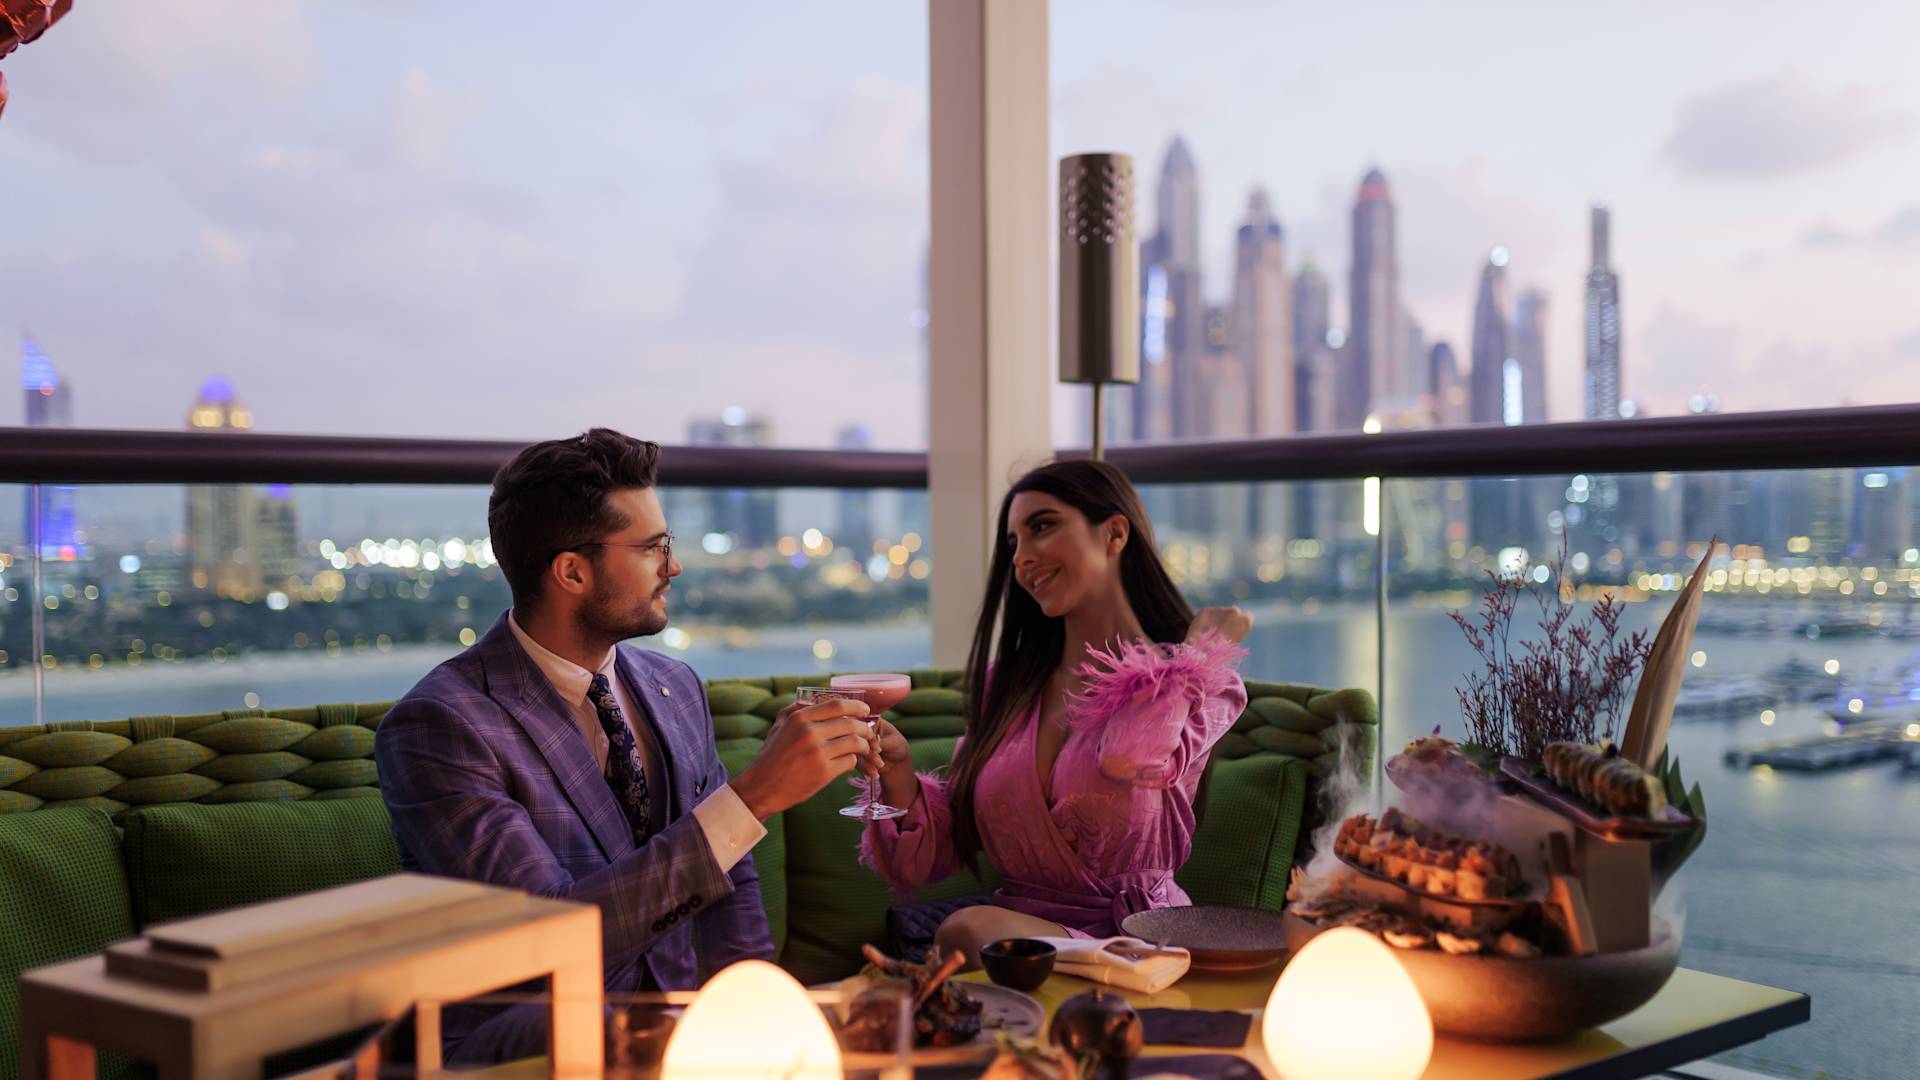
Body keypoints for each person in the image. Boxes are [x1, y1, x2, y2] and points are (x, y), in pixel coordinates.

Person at [376, 429, 874, 1064]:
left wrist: (752, 1012)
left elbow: (733, 878)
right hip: (524, 1040)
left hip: (680, 1031)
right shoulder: (441, 726)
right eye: (652, 548)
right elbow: (548, 941)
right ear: (573, 571)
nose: (674, 566)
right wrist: (748, 801)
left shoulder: (675, 685)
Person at [859, 460, 1251, 967]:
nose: (1022, 558)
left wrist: (1195, 653)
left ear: (1113, 533)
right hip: (1013, 955)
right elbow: (917, 865)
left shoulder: (1203, 686)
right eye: (1013, 544)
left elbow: (1134, 755)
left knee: (969, 929)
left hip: (1139, 947)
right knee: (974, 933)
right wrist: (897, 771)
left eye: (1041, 527)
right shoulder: (1006, 686)